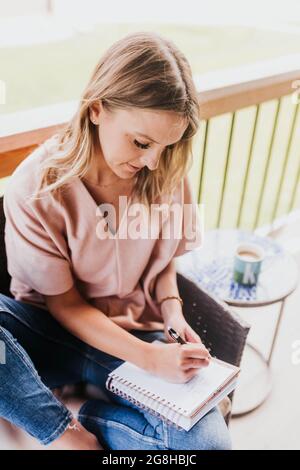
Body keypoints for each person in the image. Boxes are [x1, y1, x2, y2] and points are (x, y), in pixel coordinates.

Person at [0, 31, 231, 450]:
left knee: (211, 445)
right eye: (141, 142)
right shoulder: (36, 187)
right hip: (48, 334)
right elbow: (64, 305)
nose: (151, 162)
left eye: (166, 146)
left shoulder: (164, 172)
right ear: (96, 110)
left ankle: (92, 417)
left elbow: (162, 262)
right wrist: (150, 359)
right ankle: (66, 434)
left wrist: (172, 311)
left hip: (129, 337)